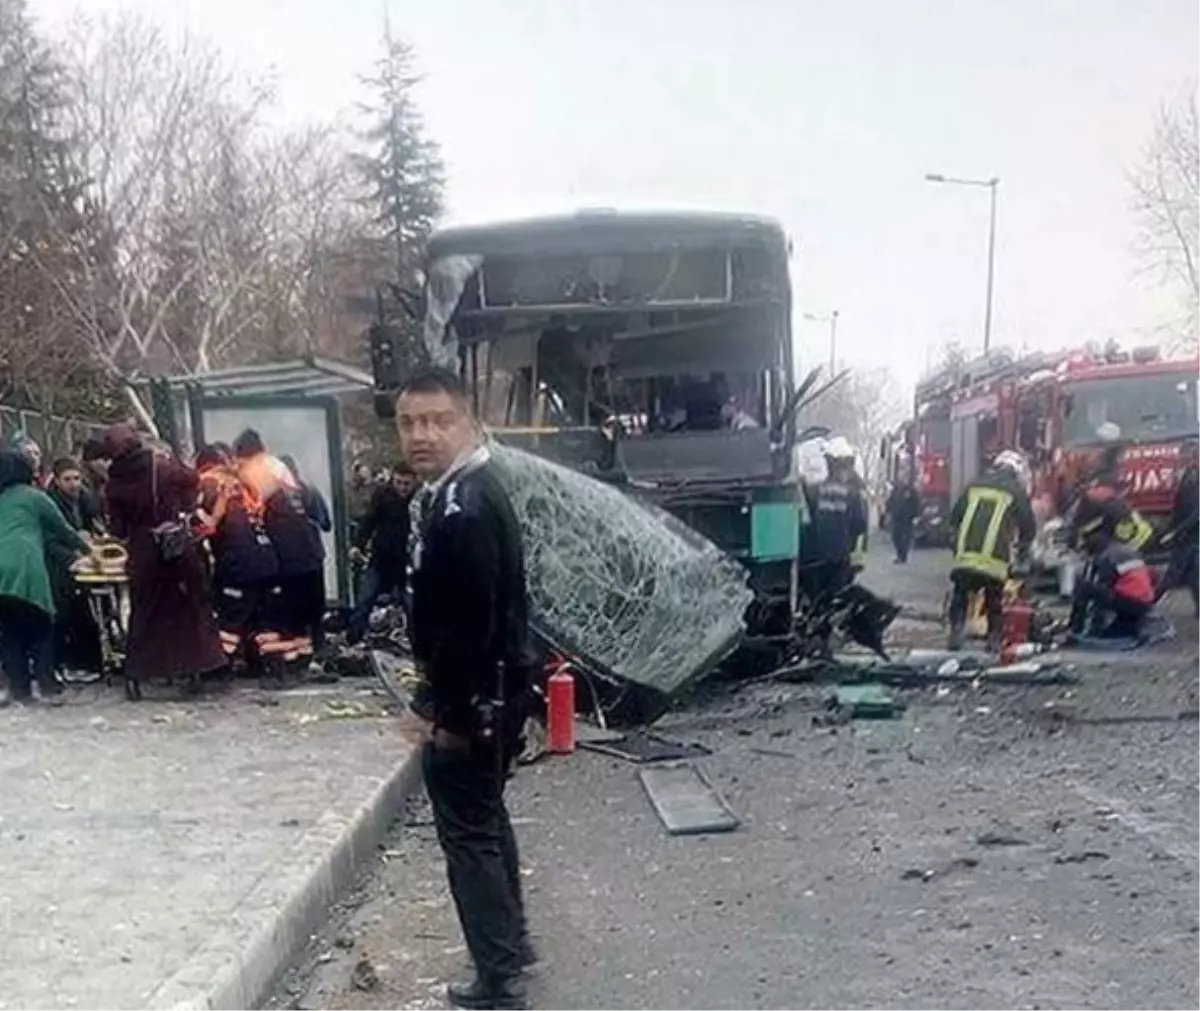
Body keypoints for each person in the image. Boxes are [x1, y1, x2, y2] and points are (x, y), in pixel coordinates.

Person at [398, 367, 536, 1010]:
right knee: (486, 817)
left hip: (475, 703)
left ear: (469, 422)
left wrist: (446, 716)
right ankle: (512, 946)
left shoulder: (464, 508)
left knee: (469, 833)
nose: (421, 435)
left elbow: (472, 628)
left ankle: (498, 976)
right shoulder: (467, 492)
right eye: (408, 423)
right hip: (495, 697)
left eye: (436, 420)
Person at [101, 424, 226, 692]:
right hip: (175, 550)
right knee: (186, 608)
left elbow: (119, 529)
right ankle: (192, 667)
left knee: (144, 612)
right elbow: (192, 480)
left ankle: (137, 671)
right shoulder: (163, 469)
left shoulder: (115, 483)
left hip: (143, 554)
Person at [0, 451, 91, 704]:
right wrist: (90, 551)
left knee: (9, 631)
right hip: (26, 564)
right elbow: (62, 529)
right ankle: (47, 686)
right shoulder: (34, 497)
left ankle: (20, 690)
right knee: (41, 625)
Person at [233, 430, 326, 660]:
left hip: (286, 555)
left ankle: (286, 665)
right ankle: (311, 656)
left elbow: (254, 515)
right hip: (309, 550)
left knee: (285, 616)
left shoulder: (254, 470)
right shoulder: (277, 466)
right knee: (309, 614)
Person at [196, 444, 284, 671]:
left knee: (229, 617)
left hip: (238, 563)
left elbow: (206, 526)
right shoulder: (243, 483)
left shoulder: (207, 483)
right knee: (259, 615)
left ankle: (219, 669)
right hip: (268, 559)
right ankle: (268, 665)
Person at [947, 450, 1036, 652]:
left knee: (960, 594)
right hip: (994, 558)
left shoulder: (974, 484)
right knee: (994, 599)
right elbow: (1028, 526)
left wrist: (955, 546)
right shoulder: (1015, 490)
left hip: (966, 555)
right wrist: (1023, 551)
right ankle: (993, 640)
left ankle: (955, 634)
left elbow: (954, 518)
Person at [799, 436, 867, 650]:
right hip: (840, 554)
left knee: (820, 598)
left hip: (815, 556)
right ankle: (829, 639)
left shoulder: (818, 489)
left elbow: (808, 520)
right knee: (838, 596)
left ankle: (815, 636)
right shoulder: (852, 491)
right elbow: (860, 524)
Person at [46, 457, 104, 676]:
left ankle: (89, 661)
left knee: (86, 613)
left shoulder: (84, 499)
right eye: (67, 479)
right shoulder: (51, 502)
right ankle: (70, 663)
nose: (73, 484)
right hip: (61, 568)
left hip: (81, 561)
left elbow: (91, 526)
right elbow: (50, 540)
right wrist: (72, 559)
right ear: (57, 480)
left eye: (77, 478)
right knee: (67, 616)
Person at [347, 462, 416, 644]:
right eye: (399, 482)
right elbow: (369, 520)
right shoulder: (383, 494)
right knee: (365, 601)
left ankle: (417, 646)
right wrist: (357, 545)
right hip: (381, 559)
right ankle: (353, 641)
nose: (402, 488)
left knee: (412, 606)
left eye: (407, 484)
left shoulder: (419, 499)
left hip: (407, 562)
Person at [1070, 514, 1155, 640]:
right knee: (1112, 634)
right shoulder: (1126, 550)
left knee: (1083, 586)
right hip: (1143, 603)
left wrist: (1094, 624)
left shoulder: (1106, 557)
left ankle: (1075, 628)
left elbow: (1102, 591)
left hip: (1129, 602)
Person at [1158, 438, 1200, 615]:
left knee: (1173, 574)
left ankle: (1146, 604)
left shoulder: (1195, 477)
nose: (1182, 458)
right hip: (1187, 533)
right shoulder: (1188, 475)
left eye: (1186, 454)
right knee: (1193, 575)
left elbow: (1197, 511)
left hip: (1192, 533)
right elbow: (1180, 506)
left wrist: (1176, 531)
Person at [887, 471, 921, 564]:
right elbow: (890, 501)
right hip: (896, 517)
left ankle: (902, 556)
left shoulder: (912, 491)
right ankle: (899, 554)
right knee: (895, 537)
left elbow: (917, 503)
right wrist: (888, 512)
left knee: (906, 538)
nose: (903, 479)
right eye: (902, 477)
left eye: (905, 477)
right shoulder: (896, 489)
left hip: (907, 519)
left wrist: (916, 516)